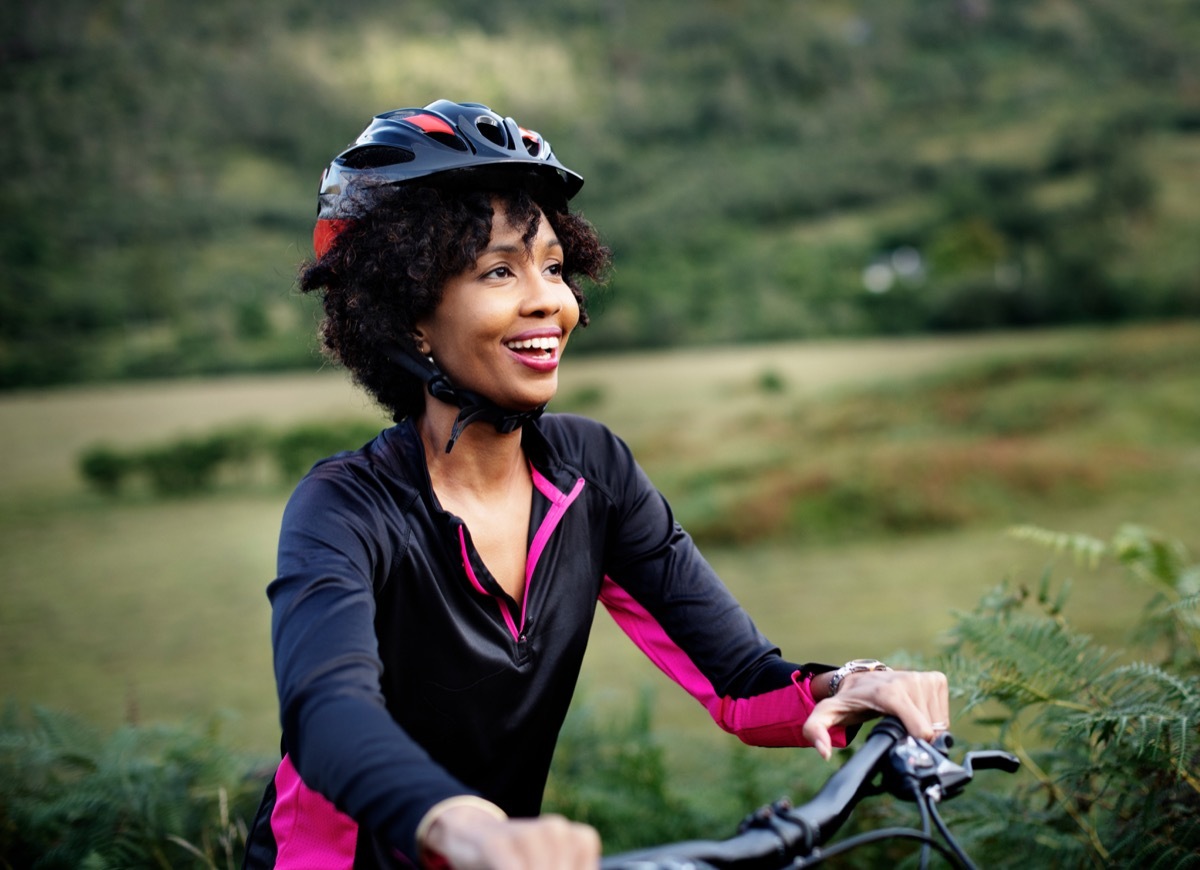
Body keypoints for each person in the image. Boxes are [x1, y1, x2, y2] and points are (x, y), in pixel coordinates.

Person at [242, 99, 949, 870]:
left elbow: (742, 682)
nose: (550, 299)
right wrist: (463, 826)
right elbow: (329, 714)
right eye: (499, 271)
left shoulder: (593, 473)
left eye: (553, 266)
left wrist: (855, 686)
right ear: (408, 315)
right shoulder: (345, 507)